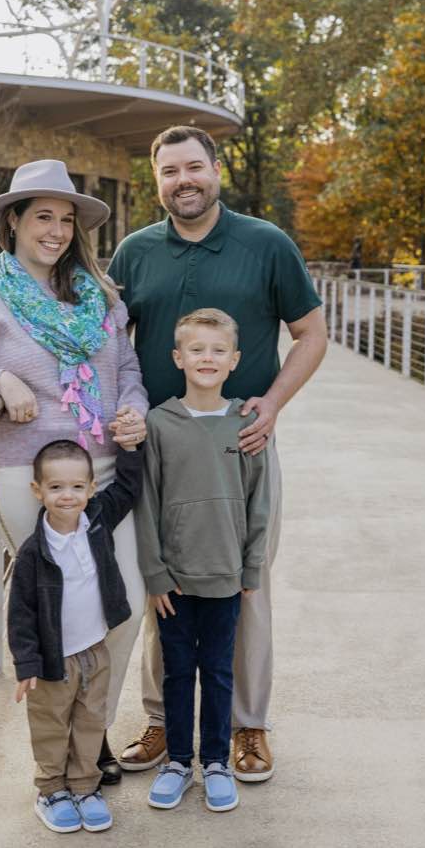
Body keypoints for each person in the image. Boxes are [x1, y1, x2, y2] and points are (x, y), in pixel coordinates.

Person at [0, 159, 148, 783]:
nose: (56, 230)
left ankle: (90, 727)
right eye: (42, 216)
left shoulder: (98, 298)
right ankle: (68, 757)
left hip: (104, 475)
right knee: (63, 611)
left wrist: (131, 409)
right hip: (30, 481)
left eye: (66, 219)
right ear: (12, 221)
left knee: (122, 605)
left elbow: (127, 373)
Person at [109, 126, 327, 783]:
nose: (184, 180)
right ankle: (162, 722)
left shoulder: (265, 244)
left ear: (215, 171)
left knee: (246, 584)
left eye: (193, 167)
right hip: (160, 449)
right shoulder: (134, 253)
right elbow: (102, 340)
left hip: (240, 445)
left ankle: (247, 727)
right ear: (157, 183)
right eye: (169, 171)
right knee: (161, 586)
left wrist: (272, 402)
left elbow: (311, 334)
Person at [136, 309, 271, 813]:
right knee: (176, 671)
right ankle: (177, 764)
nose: (207, 359)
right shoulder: (160, 422)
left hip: (226, 575)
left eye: (218, 351)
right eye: (197, 350)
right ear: (179, 358)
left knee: (217, 670)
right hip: (172, 580)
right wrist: (154, 572)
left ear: (234, 360)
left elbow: (261, 502)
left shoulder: (248, 422)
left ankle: (215, 762)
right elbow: (146, 503)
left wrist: (251, 567)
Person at [9, 436, 144, 832]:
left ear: (90, 488)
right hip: (54, 659)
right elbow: (21, 613)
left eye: (76, 487)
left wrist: (131, 449)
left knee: (90, 721)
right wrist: (27, 663)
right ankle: (51, 789)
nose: (67, 496)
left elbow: (129, 488)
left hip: (95, 650)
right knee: (51, 725)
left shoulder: (99, 519)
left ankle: (85, 786)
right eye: (55, 487)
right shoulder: (34, 552)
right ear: (38, 491)